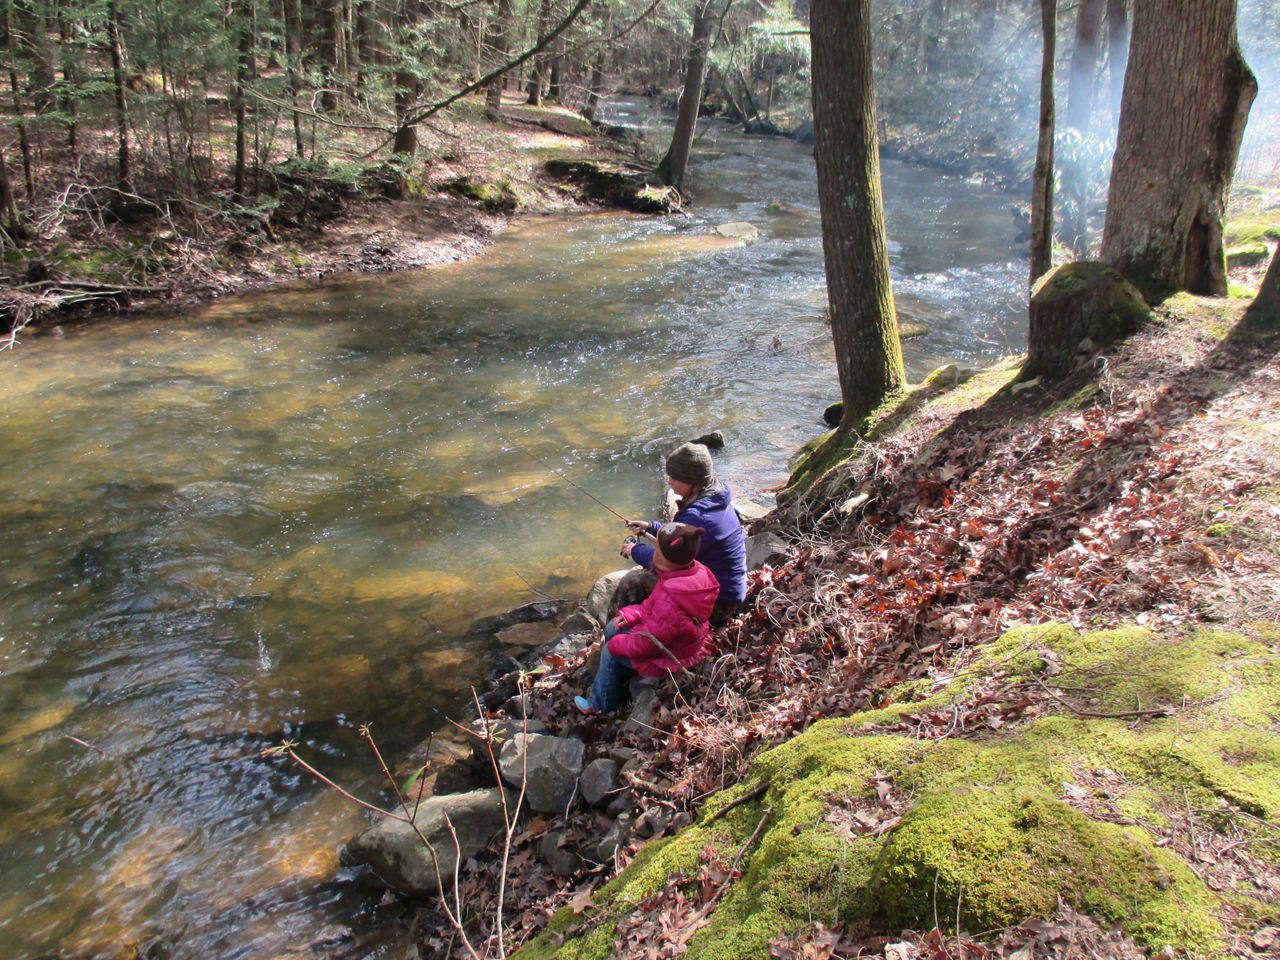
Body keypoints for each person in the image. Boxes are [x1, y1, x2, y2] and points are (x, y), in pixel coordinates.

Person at [576, 523, 718, 715]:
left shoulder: (671, 600)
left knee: (610, 650)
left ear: (666, 558)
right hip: (678, 641)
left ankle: (602, 704)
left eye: (657, 549)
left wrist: (617, 645)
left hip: (673, 657)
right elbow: (652, 606)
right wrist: (630, 614)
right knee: (612, 628)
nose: (653, 552)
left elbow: (649, 643)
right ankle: (617, 673)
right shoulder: (688, 573)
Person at [621, 441, 747, 625]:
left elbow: (665, 563)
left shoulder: (699, 517)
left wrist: (635, 549)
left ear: (691, 480)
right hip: (729, 592)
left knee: (633, 581)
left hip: (719, 604)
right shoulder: (714, 499)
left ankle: (616, 634)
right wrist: (650, 527)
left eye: (674, 477)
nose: (669, 481)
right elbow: (679, 533)